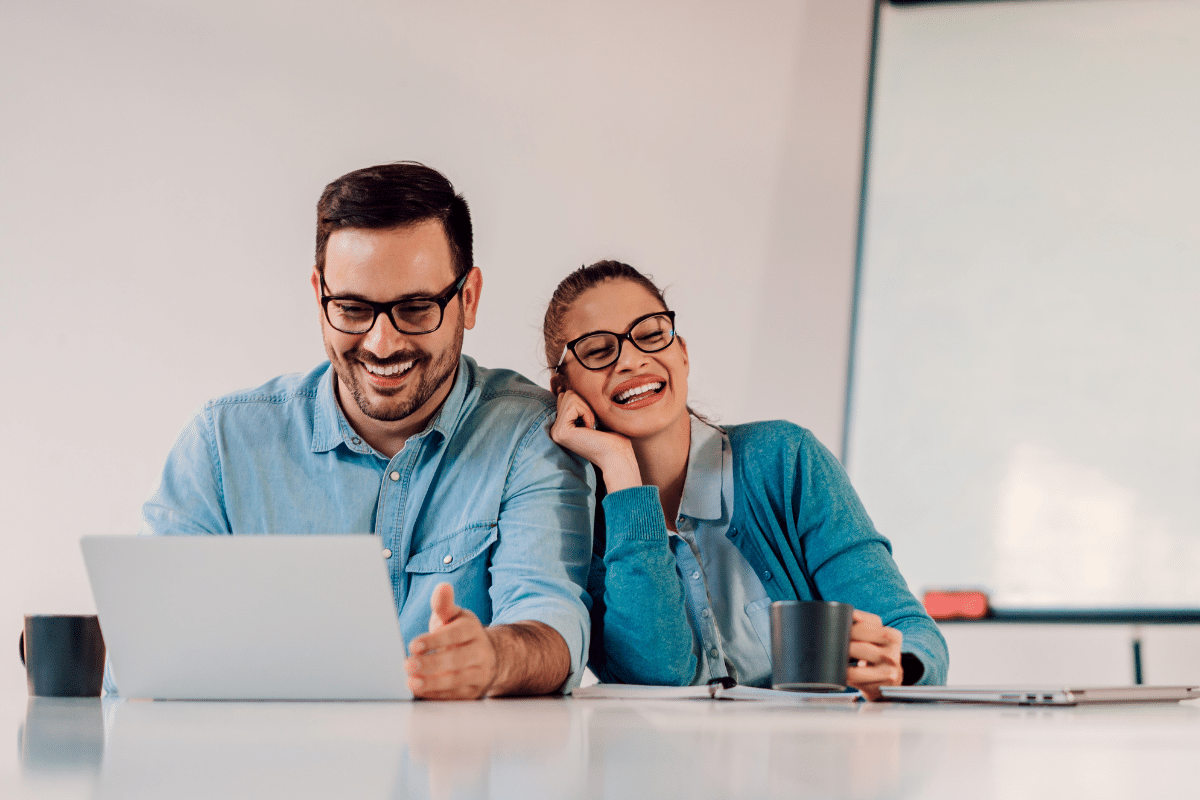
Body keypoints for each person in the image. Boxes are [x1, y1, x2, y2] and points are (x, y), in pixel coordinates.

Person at [136, 163, 593, 700]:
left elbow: (552, 619)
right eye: (352, 309)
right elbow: (147, 650)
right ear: (318, 294)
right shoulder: (223, 443)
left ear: (467, 299)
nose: (381, 343)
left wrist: (493, 659)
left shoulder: (525, 434)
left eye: (416, 309)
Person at [544, 260, 948, 699]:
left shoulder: (784, 461)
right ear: (562, 389)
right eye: (599, 351)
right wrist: (620, 468)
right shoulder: (570, 520)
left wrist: (896, 665)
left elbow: (912, 633)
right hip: (662, 767)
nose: (632, 359)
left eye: (650, 334)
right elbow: (658, 677)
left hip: (815, 761)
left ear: (681, 351)